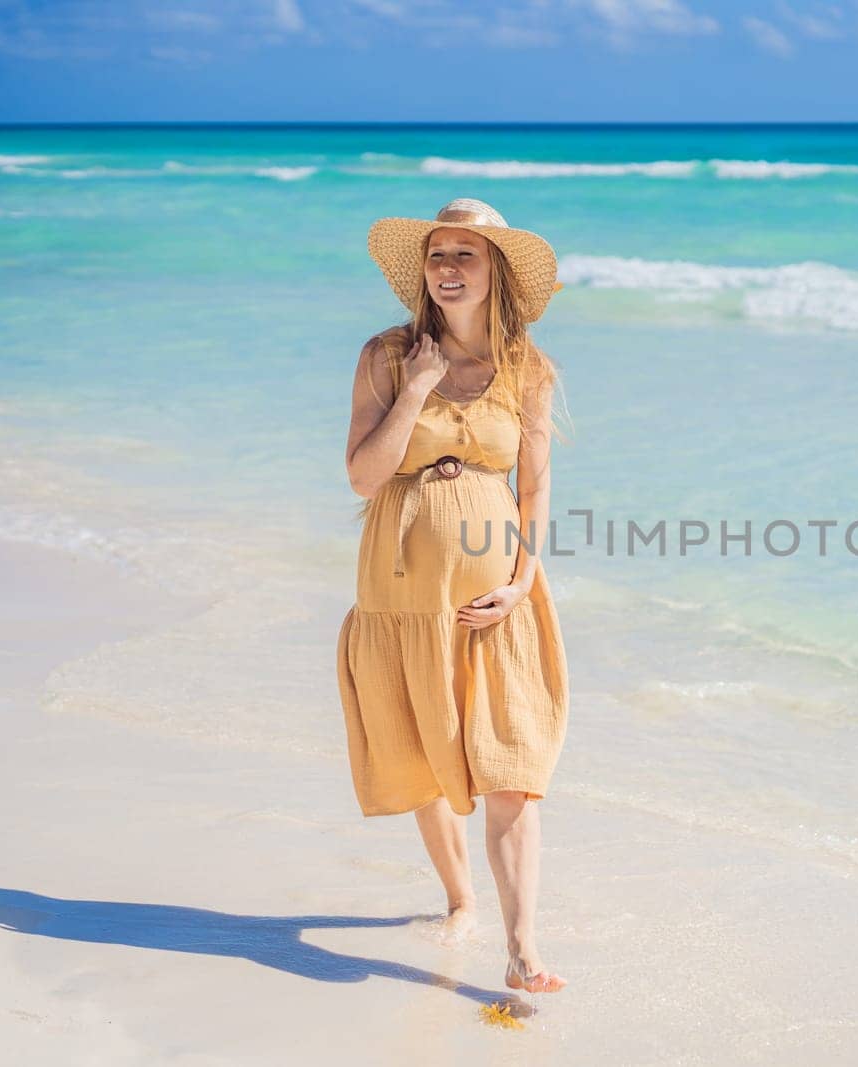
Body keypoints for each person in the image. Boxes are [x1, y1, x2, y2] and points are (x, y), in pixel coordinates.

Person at [336, 197, 571, 994]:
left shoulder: (528, 369)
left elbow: (534, 493)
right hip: (402, 590)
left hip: (494, 595)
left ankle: (523, 944)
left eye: (465, 254)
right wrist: (417, 388)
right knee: (424, 746)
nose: (446, 267)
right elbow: (365, 476)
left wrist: (521, 585)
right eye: (438, 254)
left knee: (512, 763)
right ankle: (460, 896)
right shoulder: (386, 354)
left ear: (494, 269)